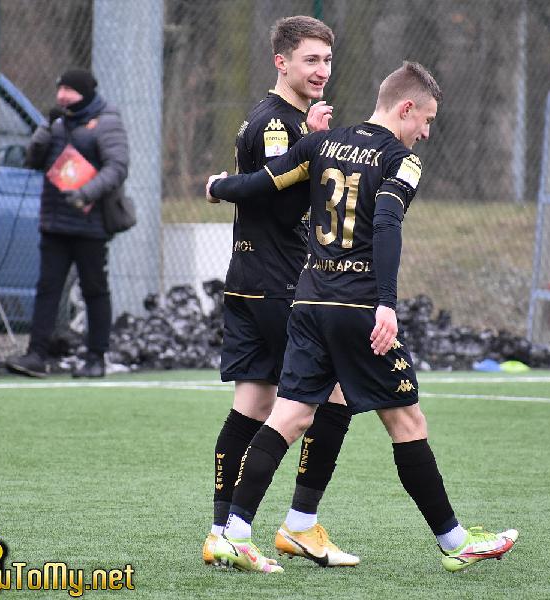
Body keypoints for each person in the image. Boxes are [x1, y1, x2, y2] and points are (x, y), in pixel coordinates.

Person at [206, 61, 518, 574]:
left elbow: (263, 183)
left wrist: (219, 187)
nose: (426, 133)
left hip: (308, 302)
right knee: (407, 420)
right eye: (427, 120)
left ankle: (234, 535)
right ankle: (456, 542)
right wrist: (386, 302)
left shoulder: (320, 142)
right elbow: (388, 223)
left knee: (290, 416)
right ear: (406, 108)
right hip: (357, 310)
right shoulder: (402, 161)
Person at [201, 16, 358, 569]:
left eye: (327, 60)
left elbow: (260, 191)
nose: (322, 70)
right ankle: (299, 524)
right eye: (310, 60)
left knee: (252, 404)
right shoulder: (277, 122)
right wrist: (313, 145)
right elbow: (278, 200)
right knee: (334, 396)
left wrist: (222, 186)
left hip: (250, 281)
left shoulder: (274, 117)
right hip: (281, 285)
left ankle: (220, 533)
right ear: (281, 62)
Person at [5, 69, 128, 378]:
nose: (62, 95)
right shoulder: (56, 123)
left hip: (91, 223)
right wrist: (45, 128)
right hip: (54, 222)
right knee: (47, 289)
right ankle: (36, 355)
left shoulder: (107, 121)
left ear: (84, 93)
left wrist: (85, 193)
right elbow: (33, 159)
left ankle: (95, 357)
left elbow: (117, 167)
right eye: (60, 89)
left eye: (69, 90)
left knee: (94, 290)